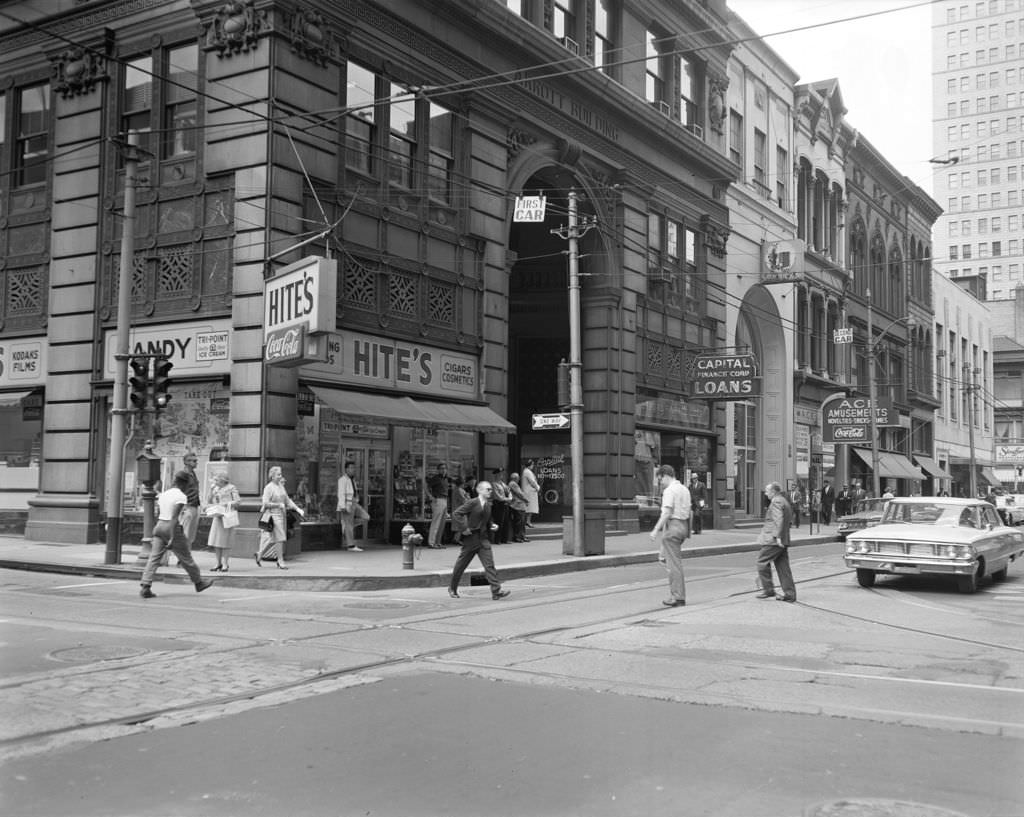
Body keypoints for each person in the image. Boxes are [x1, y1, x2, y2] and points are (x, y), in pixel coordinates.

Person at [139, 471, 215, 599]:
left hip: (160, 524)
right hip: (171, 527)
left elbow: (160, 512)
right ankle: (199, 582)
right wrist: (172, 537)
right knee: (186, 558)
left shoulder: (163, 494)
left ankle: (145, 585)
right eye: (188, 485)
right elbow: (174, 517)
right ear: (184, 484)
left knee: (154, 558)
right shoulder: (181, 496)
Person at [448, 480, 510, 600]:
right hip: (471, 539)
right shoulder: (472, 502)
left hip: (483, 539)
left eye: (491, 489)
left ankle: (496, 591)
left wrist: (492, 525)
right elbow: (457, 513)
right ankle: (452, 588)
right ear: (479, 490)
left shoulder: (488, 505)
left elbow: (487, 520)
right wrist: (463, 528)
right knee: (461, 565)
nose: (490, 491)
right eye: (488, 489)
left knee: (489, 565)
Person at [649, 464, 691, 607]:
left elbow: (666, 512)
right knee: (665, 558)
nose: (660, 484)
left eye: (660, 480)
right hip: (683, 526)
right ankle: (677, 592)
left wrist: (655, 529)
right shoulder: (685, 489)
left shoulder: (669, 491)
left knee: (674, 564)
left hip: (673, 527)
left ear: (666, 476)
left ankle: (678, 597)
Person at [755, 482, 796, 603]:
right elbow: (788, 519)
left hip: (773, 540)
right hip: (782, 540)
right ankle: (790, 594)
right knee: (783, 568)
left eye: (767, 491)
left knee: (761, 562)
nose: (766, 494)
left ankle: (768, 590)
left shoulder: (776, 501)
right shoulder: (784, 500)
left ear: (773, 492)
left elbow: (779, 519)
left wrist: (777, 536)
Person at [257, 465, 303, 568]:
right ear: (272, 476)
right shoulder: (268, 488)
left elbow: (287, 500)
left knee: (273, 538)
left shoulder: (281, 486)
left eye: (281, 474)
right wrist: (278, 505)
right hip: (273, 516)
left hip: (281, 516)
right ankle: (280, 561)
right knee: (280, 538)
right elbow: (265, 503)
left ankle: (259, 554)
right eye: (278, 474)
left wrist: (297, 509)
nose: (280, 476)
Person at [207, 471, 239, 572]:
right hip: (218, 516)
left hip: (227, 516)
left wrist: (226, 504)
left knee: (225, 541)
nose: (215, 482)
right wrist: (211, 491)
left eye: (217, 479)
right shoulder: (215, 488)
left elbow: (238, 501)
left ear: (222, 480)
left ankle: (225, 563)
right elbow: (209, 501)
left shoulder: (231, 488)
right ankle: (218, 563)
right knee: (216, 540)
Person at [336, 460, 364, 552]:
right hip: (347, 504)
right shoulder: (342, 480)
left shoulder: (352, 480)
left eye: (354, 468)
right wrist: (342, 506)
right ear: (346, 469)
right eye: (351, 468)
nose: (353, 470)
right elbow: (341, 494)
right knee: (349, 525)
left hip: (354, 504)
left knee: (366, 517)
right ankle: (351, 545)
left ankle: (345, 527)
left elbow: (354, 492)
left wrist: (356, 501)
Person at [179, 450, 202, 548]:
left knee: (190, 536)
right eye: (193, 461)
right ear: (186, 462)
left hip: (194, 506)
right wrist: (182, 507)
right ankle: (182, 559)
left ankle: (187, 557)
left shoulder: (193, 473)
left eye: (196, 460)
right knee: (185, 533)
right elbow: (176, 490)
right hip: (186, 507)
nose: (196, 463)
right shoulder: (182, 474)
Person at [425, 463, 450, 549]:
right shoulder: (436, 478)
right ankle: (431, 542)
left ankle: (437, 542)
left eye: (445, 468)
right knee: (436, 522)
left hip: (444, 500)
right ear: (438, 470)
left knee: (442, 523)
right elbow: (426, 486)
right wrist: (430, 496)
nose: (443, 470)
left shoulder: (446, 479)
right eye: (442, 468)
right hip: (438, 499)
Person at [489, 467, 511, 544]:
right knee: (499, 522)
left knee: (506, 522)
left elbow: (509, 491)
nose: (501, 475)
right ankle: (497, 539)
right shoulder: (493, 484)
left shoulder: (503, 484)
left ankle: (505, 539)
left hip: (505, 504)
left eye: (501, 473)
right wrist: (507, 499)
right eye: (499, 474)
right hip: (498, 504)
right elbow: (497, 496)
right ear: (496, 475)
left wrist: (509, 498)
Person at [508, 472, 529, 542]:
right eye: (518, 478)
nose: (519, 479)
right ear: (515, 478)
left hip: (520, 505)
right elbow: (519, 493)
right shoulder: (512, 484)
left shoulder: (514, 484)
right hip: (517, 506)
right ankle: (517, 537)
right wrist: (526, 499)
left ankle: (522, 536)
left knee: (522, 522)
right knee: (519, 522)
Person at [521, 459, 541, 528]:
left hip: (529, 492)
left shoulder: (526, 471)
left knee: (530, 508)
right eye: (532, 464)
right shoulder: (527, 472)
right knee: (529, 508)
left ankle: (527, 521)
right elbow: (532, 482)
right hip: (529, 492)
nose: (533, 466)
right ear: (529, 465)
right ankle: (527, 521)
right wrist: (538, 487)